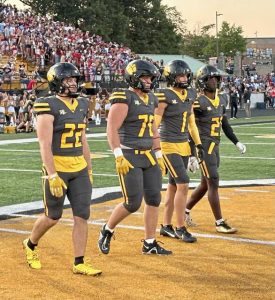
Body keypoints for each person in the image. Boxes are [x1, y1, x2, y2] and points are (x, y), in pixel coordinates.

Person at [22, 62, 102, 276]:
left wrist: (90, 168)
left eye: (75, 80)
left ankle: (79, 262)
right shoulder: (47, 105)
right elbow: (44, 143)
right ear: (57, 82)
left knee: (82, 215)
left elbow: (83, 138)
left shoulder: (83, 104)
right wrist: (52, 174)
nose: (73, 84)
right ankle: (30, 244)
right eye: (68, 80)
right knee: (52, 216)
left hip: (79, 168)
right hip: (58, 167)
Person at [98, 59, 172, 255]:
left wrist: (159, 153)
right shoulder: (124, 97)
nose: (149, 81)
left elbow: (153, 128)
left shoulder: (152, 99)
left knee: (154, 198)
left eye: (150, 77)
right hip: (129, 154)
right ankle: (107, 229)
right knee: (132, 202)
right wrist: (118, 154)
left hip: (148, 155)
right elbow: (111, 128)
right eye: (145, 77)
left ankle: (149, 242)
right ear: (134, 77)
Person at [185, 65, 246, 234]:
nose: (213, 81)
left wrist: (236, 141)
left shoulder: (222, 99)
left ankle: (185, 210)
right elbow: (190, 128)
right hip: (203, 147)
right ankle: (219, 222)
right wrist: (192, 154)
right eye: (210, 79)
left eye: (215, 78)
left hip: (215, 146)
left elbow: (224, 124)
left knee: (205, 184)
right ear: (202, 82)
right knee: (213, 181)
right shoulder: (198, 102)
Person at [154, 60, 204, 243]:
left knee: (173, 187)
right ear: (171, 78)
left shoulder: (190, 93)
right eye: (179, 75)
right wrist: (156, 148)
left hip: (183, 145)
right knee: (183, 184)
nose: (184, 78)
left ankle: (166, 226)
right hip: (168, 145)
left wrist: (197, 146)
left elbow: (191, 123)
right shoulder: (164, 95)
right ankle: (181, 227)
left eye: (185, 75)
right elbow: (155, 124)